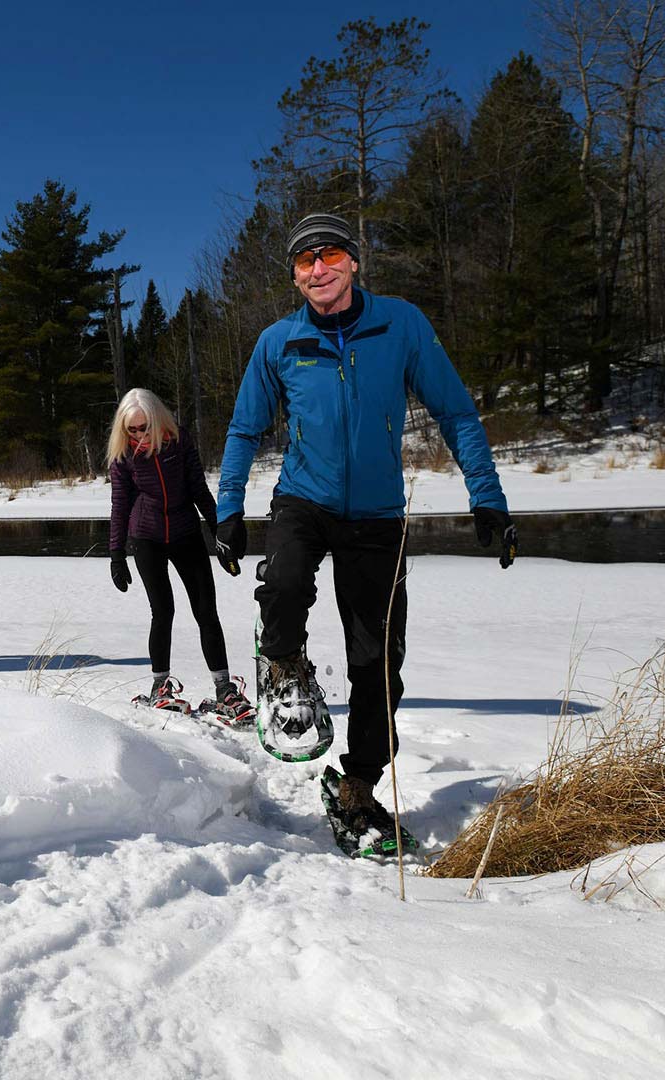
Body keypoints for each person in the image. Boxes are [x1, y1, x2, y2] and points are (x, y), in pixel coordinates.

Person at [213, 212, 517, 836]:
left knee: (377, 661)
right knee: (287, 583)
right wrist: (229, 508)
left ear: (352, 261)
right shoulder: (278, 342)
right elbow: (244, 428)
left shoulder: (400, 324)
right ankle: (283, 663)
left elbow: (456, 411)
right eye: (304, 261)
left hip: (377, 515)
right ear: (295, 276)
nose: (317, 268)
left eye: (328, 254)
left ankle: (358, 785)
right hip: (303, 498)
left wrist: (487, 495)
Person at [107, 388, 251, 718]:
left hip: (186, 532)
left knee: (206, 610)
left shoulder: (178, 440)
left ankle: (225, 690)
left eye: (145, 427)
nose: (140, 435)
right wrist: (116, 554)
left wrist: (221, 531)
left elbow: (199, 488)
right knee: (163, 611)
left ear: (157, 420)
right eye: (133, 429)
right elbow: (120, 506)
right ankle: (160, 686)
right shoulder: (123, 456)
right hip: (147, 538)